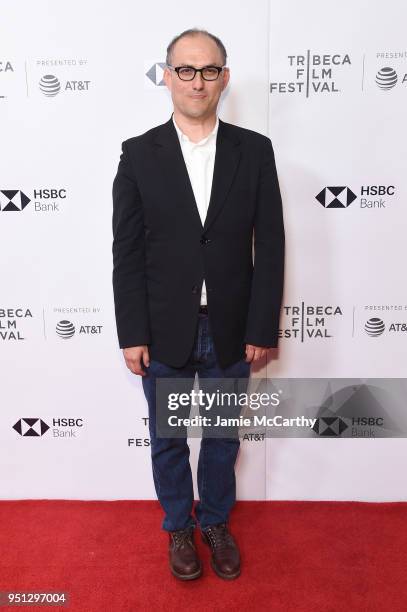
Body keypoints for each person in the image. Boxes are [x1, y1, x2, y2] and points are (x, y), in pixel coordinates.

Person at [112, 28, 285, 581]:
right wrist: (131, 331)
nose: (197, 81)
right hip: (164, 329)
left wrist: (262, 325)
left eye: (209, 70)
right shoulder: (138, 154)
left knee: (221, 437)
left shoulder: (255, 151)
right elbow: (128, 250)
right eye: (185, 70)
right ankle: (177, 529)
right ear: (167, 76)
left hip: (231, 326)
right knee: (167, 440)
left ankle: (214, 521)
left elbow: (272, 244)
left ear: (224, 78)